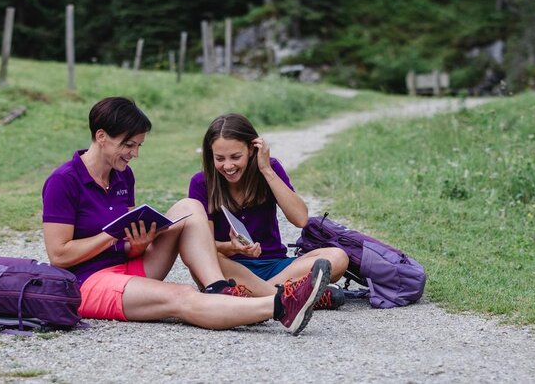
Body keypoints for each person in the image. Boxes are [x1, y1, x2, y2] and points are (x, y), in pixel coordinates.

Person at [42, 97, 330, 335]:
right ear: (101, 136)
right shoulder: (63, 181)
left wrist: (140, 243)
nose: (134, 153)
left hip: (129, 266)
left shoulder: (122, 176)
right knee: (180, 295)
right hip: (89, 281)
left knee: (189, 206)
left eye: (138, 145)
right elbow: (60, 256)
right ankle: (281, 305)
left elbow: (129, 245)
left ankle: (218, 287)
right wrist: (110, 236)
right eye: (129, 145)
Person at [188, 113, 350, 307]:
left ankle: (256, 298)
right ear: (210, 155)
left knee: (337, 257)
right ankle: (288, 297)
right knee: (199, 260)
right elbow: (202, 245)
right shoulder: (201, 183)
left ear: (251, 149)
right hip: (229, 268)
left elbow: (300, 219)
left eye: (236, 157)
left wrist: (266, 170)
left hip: (275, 266)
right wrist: (232, 247)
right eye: (220, 158)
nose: (228, 165)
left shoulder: (270, 169)